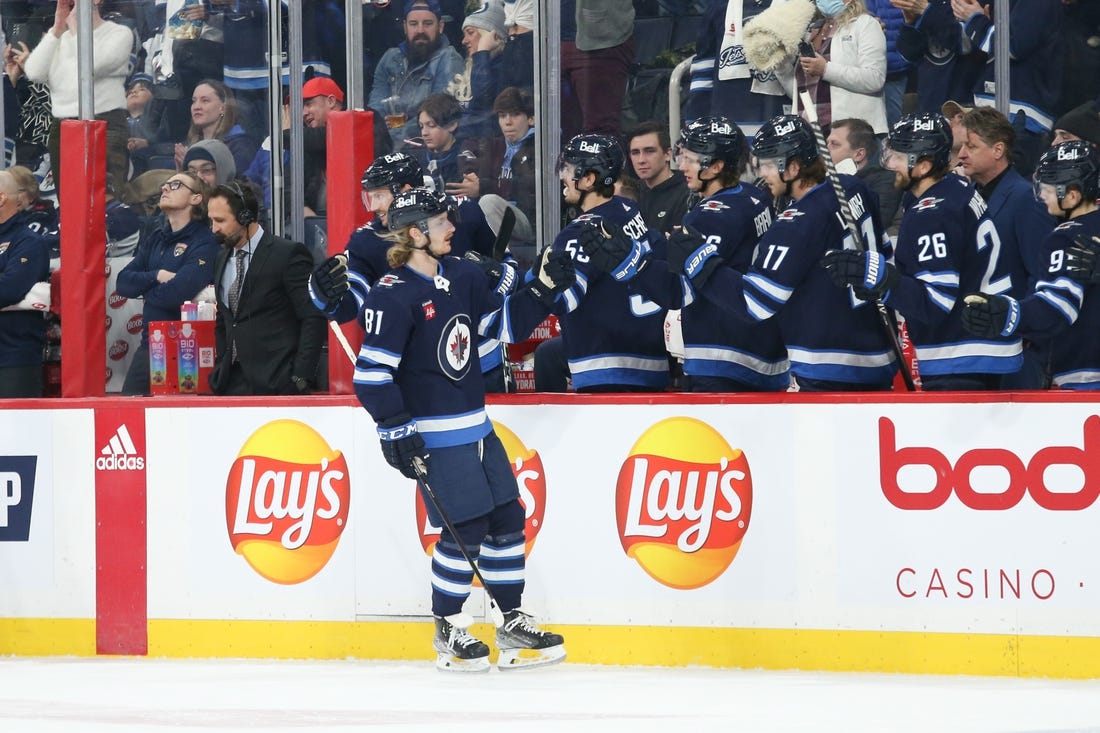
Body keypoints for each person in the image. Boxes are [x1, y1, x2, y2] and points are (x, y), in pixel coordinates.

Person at [353, 187, 567, 671]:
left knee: (508, 520)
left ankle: (511, 622)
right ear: (414, 233)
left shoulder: (463, 275)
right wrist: (394, 429)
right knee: (465, 529)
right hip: (435, 435)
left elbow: (505, 327)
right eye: (440, 221)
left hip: (478, 428)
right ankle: (448, 627)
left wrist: (542, 288)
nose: (451, 226)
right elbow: (371, 375)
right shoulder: (392, 294)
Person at [669, 114, 896, 391]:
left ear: (794, 167)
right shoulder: (853, 187)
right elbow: (885, 258)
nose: (762, 175)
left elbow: (756, 302)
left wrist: (699, 262)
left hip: (828, 365)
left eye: (767, 165)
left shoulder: (798, 220)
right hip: (879, 354)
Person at [583, 116, 788, 392]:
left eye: (691, 159)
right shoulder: (754, 196)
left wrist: (631, 262)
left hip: (723, 356)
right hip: (765, 352)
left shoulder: (707, 217)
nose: (682, 166)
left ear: (716, 166)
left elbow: (678, 291)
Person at [822, 112, 1022, 390]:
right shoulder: (955, 187)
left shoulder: (932, 212)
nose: (890, 164)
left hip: (960, 352)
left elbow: (936, 301)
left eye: (899, 157)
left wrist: (881, 278)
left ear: (924, 165)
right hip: (980, 348)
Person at [307, 152, 508, 391]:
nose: (374, 206)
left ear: (405, 191)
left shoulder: (466, 215)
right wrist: (325, 298)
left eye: (380, 195)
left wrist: (497, 275)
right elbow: (349, 305)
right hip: (418, 373)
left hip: (481, 365)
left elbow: (509, 271)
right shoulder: (367, 241)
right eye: (370, 197)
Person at [528, 133, 670, 391]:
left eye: (568, 169)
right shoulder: (629, 210)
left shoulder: (576, 234)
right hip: (653, 361)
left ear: (589, 179)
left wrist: (529, 281)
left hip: (604, 368)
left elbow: (564, 301)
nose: (562, 176)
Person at [961, 141, 1100, 389]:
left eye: (1048, 188)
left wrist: (1010, 313)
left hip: (1085, 375)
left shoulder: (1066, 236)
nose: (1042, 195)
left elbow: (1057, 307)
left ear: (1073, 195)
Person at [956, 106, 1054, 387]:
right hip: (975, 344)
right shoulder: (964, 198)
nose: (961, 153)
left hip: (1018, 350)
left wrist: (1028, 333)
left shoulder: (1026, 199)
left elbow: (1041, 275)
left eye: (971, 146)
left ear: (998, 150)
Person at [207, 179, 325, 395]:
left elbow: (312, 316)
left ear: (245, 217)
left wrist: (301, 376)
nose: (214, 229)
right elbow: (224, 321)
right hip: (230, 382)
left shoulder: (288, 254)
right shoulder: (221, 258)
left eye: (220, 220)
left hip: (278, 383)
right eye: (211, 220)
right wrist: (220, 366)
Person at [116, 170, 217, 395]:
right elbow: (122, 283)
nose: (164, 188)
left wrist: (147, 291)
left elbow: (176, 294)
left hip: (189, 353)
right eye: (165, 185)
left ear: (196, 198)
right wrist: (157, 276)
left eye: (176, 185)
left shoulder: (205, 241)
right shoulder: (156, 238)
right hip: (150, 347)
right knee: (128, 411)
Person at [22, 0, 135, 194]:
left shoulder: (119, 33)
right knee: (69, 199)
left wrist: (76, 29)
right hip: (62, 125)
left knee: (104, 197)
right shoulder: (61, 39)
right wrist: (57, 29)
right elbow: (33, 72)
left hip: (105, 121)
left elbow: (92, 64)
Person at [777, 0, 888, 135]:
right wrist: (780, 65)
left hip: (853, 135)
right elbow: (802, 90)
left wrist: (825, 70)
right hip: (810, 132)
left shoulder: (866, 24)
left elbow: (874, 79)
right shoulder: (810, 31)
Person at [367, 0, 465, 151]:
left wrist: (391, 134)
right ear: (405, 27)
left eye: (427, 23)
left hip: (426, 150)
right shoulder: (389, 58)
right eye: (413, 24)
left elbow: (436, 116)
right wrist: (381, 130)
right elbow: (375, 111)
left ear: (440, 27)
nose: (420, 30)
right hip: (386, 147)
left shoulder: (449, 59)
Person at [685, 0, 786, 138]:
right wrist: (695, 123)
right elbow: (704, 69)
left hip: (781, 124)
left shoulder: (796, 6)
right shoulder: (719, 8)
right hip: (727, 125)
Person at [0, 169, 49, 398]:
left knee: (16, 434)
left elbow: (9, 289)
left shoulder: (28, 241)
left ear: (1, 198)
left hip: (13, 361)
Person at [560, 0, 634, 140]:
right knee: (558, 129)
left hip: (599, 40)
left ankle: (601, 161)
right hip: (550, 39)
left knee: (599, 130)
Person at [448, 0, 508, 140]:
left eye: (470, 33)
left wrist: (482, 51)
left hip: (486, 148)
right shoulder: (474, 67)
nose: (464, 41)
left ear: (492, 35)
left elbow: (483, 99)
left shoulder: (502, 68)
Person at [828, 117, 903, 227]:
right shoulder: (824, 175)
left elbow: (875, 224)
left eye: (834, 144)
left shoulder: (885, 180)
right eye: (827, 143)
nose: (825, 149)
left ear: (859, 155)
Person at [175, 79, 258, 177]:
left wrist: (193, 168)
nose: (196, 107)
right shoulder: (191, 144)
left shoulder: (241, 146)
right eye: (194, 101)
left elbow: (238, 187)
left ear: (222, 108)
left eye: (205, 101)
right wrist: (182, 171)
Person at [627, 120, 690, 238]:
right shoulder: (630, 191)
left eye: (649, 151)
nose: (641, 160)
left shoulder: (687, 193)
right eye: (635, 152)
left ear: (668, 154)